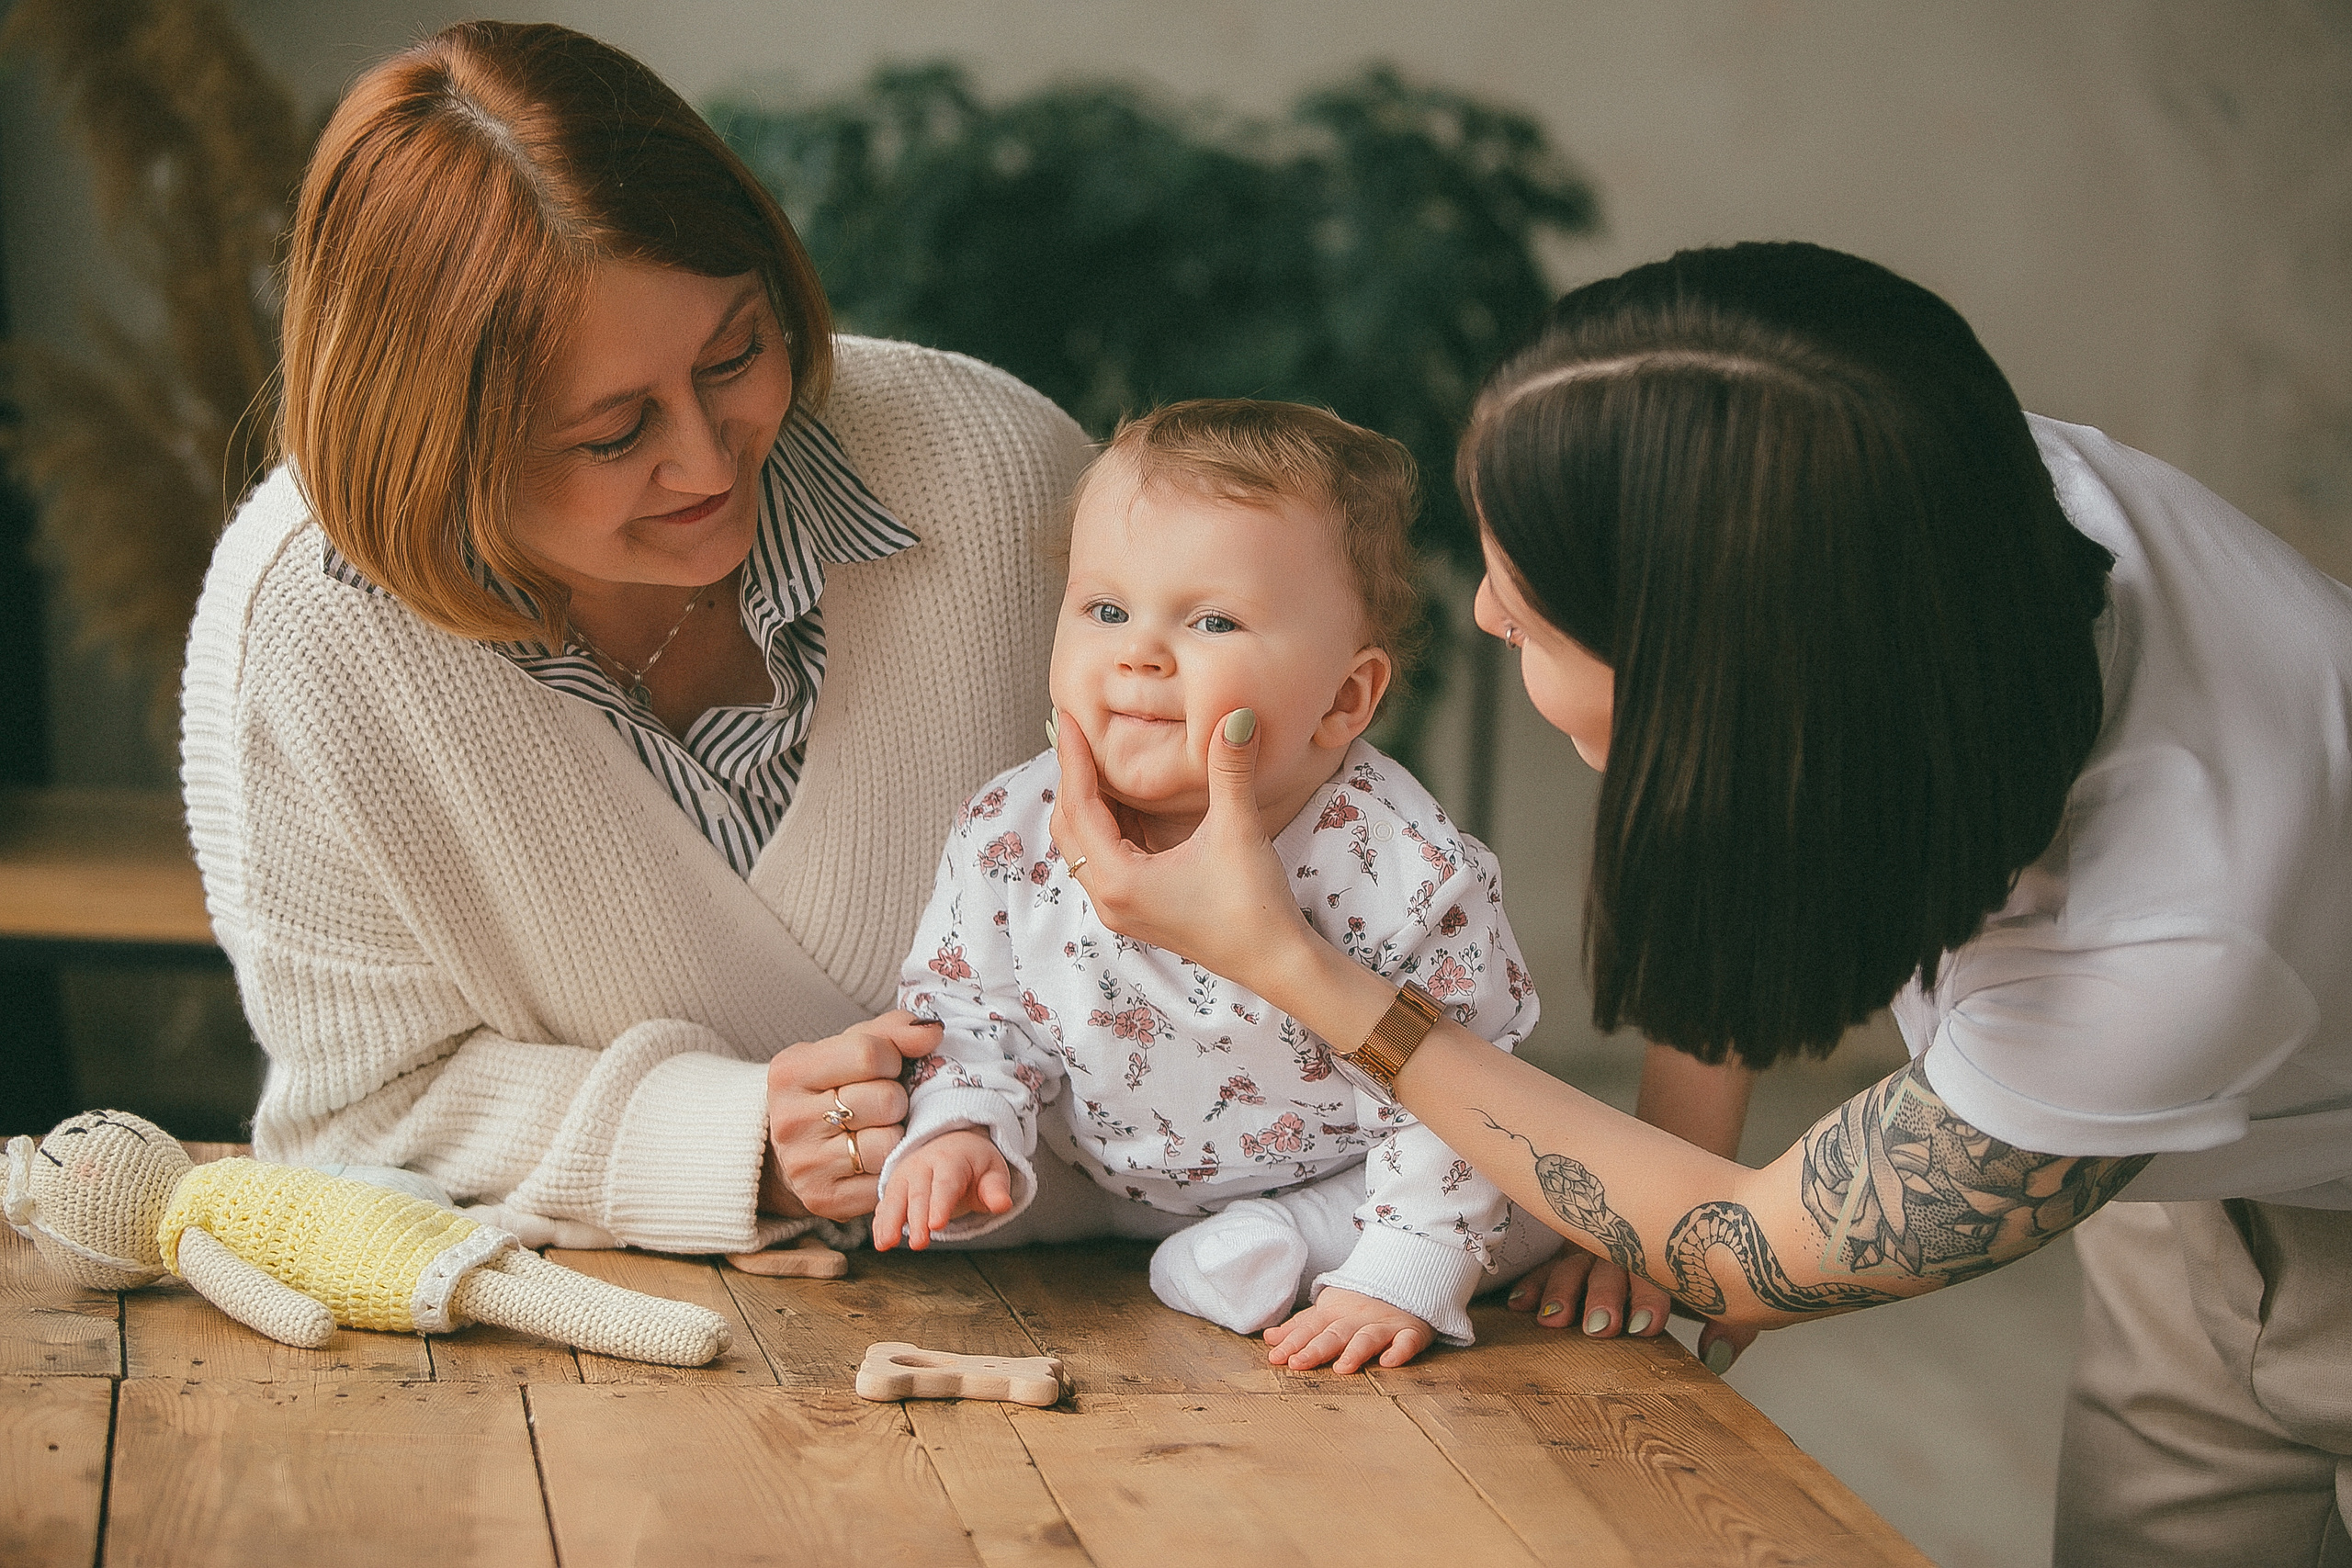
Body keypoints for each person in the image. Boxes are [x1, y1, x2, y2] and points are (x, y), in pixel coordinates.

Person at [1051, 243, 2352, 1565]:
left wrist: (1285, 959)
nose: (1492, 612)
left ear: (1713, 682)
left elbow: (1743, 1251)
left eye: (1544, 614)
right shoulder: (1881, 482)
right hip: (2196, 1172)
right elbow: (1746, 823)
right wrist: (1665, 1164)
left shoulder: (2158, 950)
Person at [179, 20, 1087, 1255]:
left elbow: (1271, 899)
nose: (709, 458)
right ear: (431, 439)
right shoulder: (308, 630)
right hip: (593, 1372)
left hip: (1140, 1293)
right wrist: (733, 1142)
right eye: (613, 433)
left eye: (736, 354)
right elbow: (363, 1114)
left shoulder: (998, 476)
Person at [871, 400, 1558, 1371]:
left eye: (1213, 620)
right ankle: (1167, 1232)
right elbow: (971, 1007)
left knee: (1517, 1193)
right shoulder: (1011, 828)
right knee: (923, 1186)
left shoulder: (1404, 870)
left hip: (1346, 1173)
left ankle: (1301, 1246)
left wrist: (1400, 1272)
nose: (1139, 651)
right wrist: (962, 1126)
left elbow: (1459, 1089)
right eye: (1105, 609)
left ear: (1346, 697)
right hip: (1103, 1172)